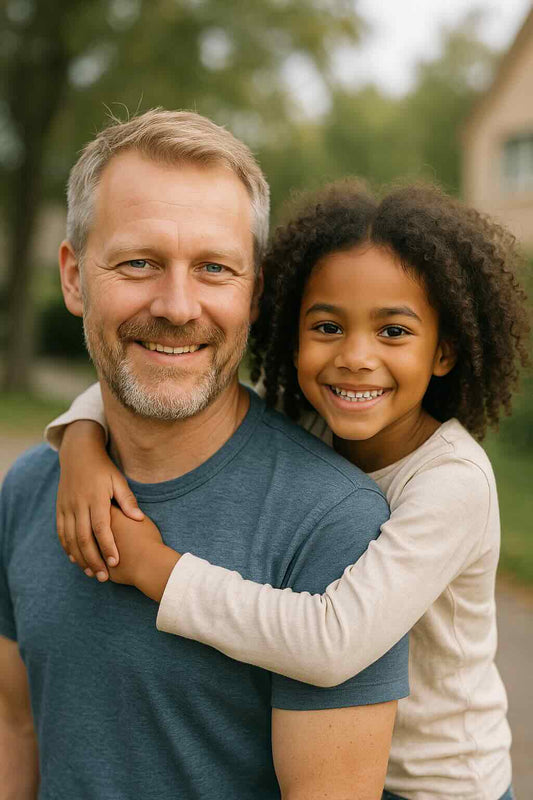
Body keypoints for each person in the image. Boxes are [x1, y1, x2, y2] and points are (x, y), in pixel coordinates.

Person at [49, 181, 530, 800]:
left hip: (441, 789)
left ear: (445, 350)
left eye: (393, 332)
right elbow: (174, 394)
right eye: (327, 325)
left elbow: (333, 641)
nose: (355, 356)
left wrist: (158, 571)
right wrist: (83, 439)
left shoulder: (452, 483)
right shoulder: (313, 422)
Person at [0, 112, 409, 799]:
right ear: (73, 279)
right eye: (139, 262)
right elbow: (14, 728)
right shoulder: (29, 489)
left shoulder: (334, 524)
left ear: (253, 293)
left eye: (214, 269)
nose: (177, 305)